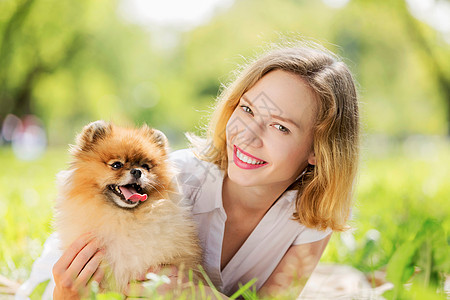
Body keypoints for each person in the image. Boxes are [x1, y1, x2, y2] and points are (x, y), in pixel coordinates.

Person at [15, 41, 359, 299]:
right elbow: (54, 272)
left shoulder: (310, 218)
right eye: (248, 109)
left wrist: (202, 296)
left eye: (281, 127)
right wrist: (63, 293)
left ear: (319, 150)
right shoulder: (172, 183)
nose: (249, 135)